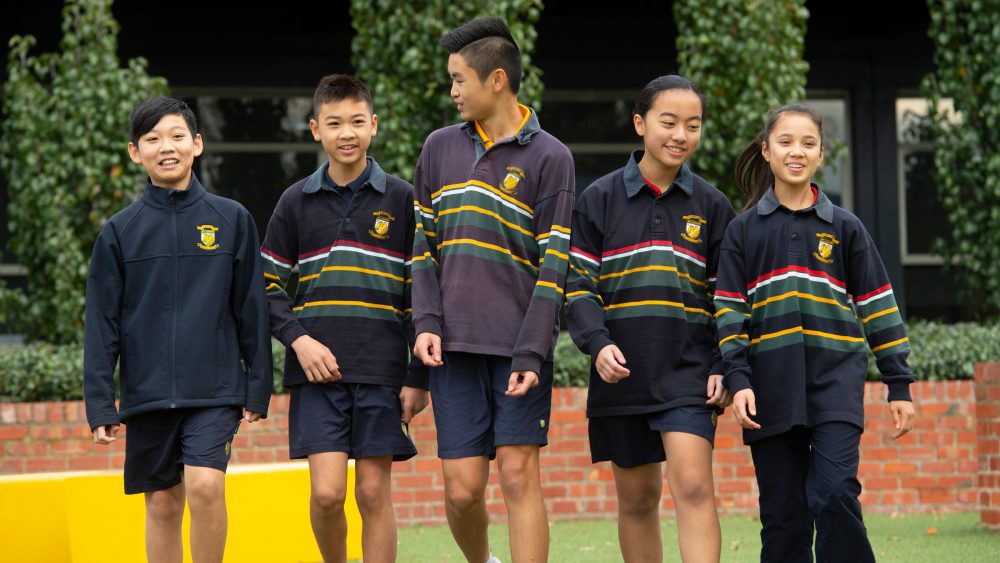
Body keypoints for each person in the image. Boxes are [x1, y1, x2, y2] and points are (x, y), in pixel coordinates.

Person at [714, 103, 916, 562]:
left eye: (808, 143)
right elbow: (728, 313)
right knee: (783, 517)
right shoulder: (743, 232)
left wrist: (898, 383)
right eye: (785, 142)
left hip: (835, 386)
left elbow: (878, 306)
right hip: (769, 389)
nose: (796, 152)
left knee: (835, 493)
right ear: (766, 151)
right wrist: (739, 380)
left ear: (822, 154)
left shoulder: (846, 228)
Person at [410, 16, 575, 563]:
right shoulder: (437, 149)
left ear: (497, 80)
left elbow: (554, 268)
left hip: (517, 351)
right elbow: (422, 250)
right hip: (452, 349)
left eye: (460, 79)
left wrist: (533, 349)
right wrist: (426, 323)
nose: (453, 91)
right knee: (461, 489)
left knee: (518, 474)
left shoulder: (552, 157)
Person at [84, 96, 272, 563]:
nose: (166, 147)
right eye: (152, 139)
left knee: (206, 485)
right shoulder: (119, 231)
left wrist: (258, 385)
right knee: (164, 502)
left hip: (214, 389)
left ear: (197, 143)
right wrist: (100, 401)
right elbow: (101, 321)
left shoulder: (232, 219)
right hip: (147, 392)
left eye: (176, 136)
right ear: (135, 152)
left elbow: (252, 306)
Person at [564, 75, 734, 563]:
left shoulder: (711, 205)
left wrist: (724, 362)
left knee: (695, 488)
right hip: (623, 373)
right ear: (640, 124)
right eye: (669, 122)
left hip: (690, 371)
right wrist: (597, 345)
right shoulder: (597, 199)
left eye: (693, 125)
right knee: (638, 500)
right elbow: (578, 285)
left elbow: (727, 295)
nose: (681, 134)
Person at [260, 74, 427, 563]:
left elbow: (422, 292)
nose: (346, 133)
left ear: (373, 125)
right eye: (334, 123)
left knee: (373, 494)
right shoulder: (295, 201)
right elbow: (266, 283)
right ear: (316, 129)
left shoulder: (402, 199)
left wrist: (418, 375)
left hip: (381, 372)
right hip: (317, 374)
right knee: (327, 494)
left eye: (357, 121)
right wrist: (298, 340)